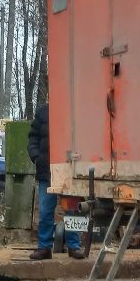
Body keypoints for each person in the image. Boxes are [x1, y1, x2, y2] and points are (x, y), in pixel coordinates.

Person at [27, 101, 85, 261]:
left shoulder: (74, 111)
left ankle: (74, 247)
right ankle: (44, 248)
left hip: (70, 170)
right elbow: (33, 137)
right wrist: (37, 157)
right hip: (47, 170)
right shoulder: (43, 112)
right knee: (45, 210)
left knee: (72, 209)